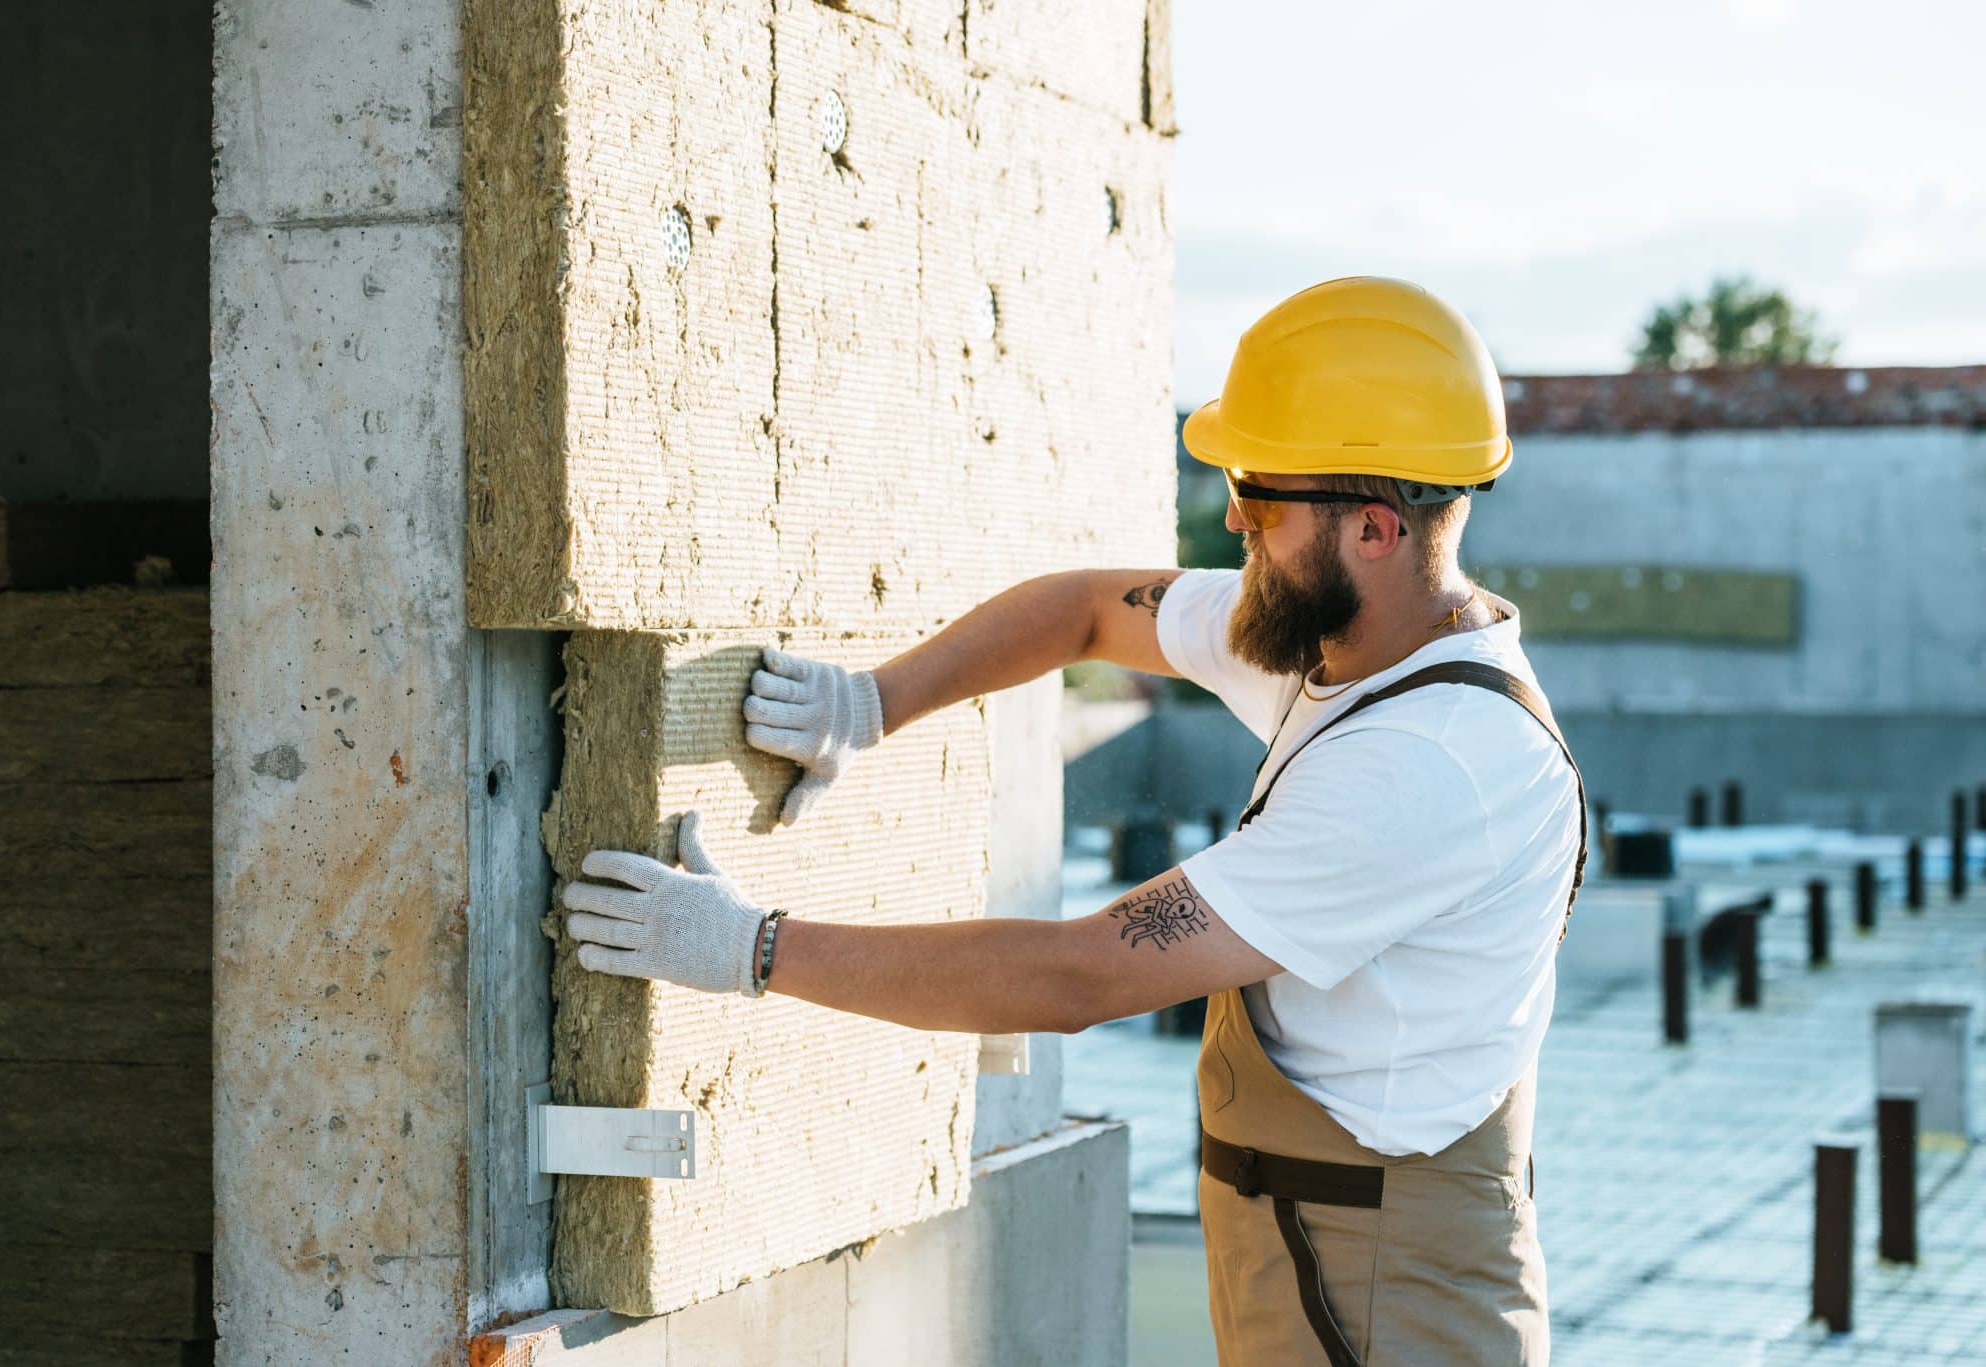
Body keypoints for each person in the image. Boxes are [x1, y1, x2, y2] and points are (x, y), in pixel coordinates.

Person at [561, 276, 1584, 1365]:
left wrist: (749, 947)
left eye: (1258, 494)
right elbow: (1090, 607)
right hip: (1313, 1238)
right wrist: (868, 705)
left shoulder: (1425, 768)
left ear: (1373, 527)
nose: (1230, 514)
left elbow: (1078, 977)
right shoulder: (1341, 640)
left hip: (1389, 1287)